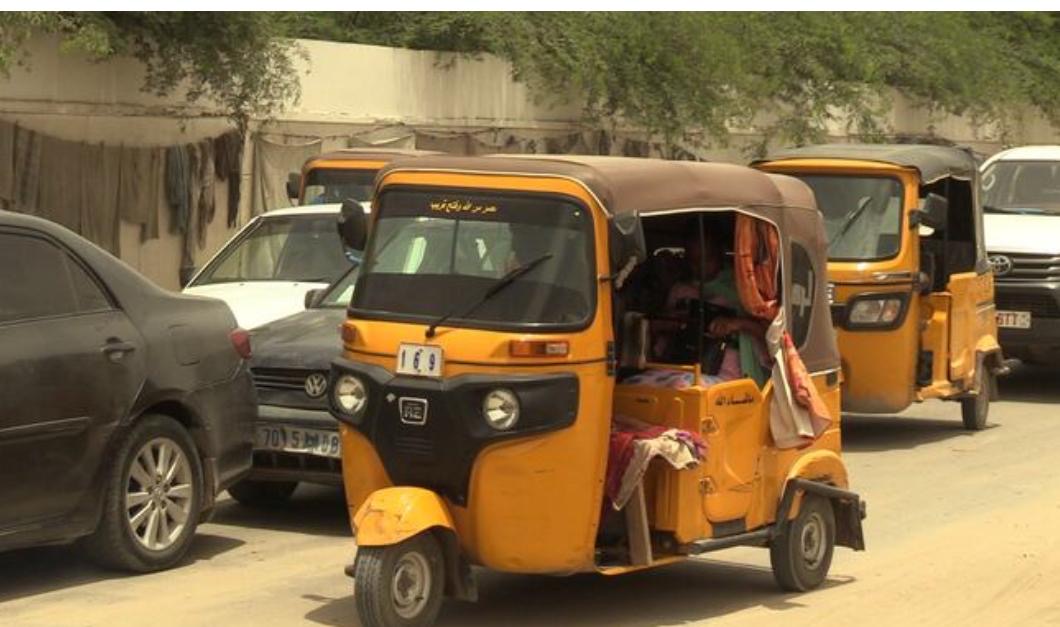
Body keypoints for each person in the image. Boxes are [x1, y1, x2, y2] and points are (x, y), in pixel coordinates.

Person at [633, 224, 768, 387]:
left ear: (721, 253)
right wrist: (670, 322)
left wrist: (735, 324)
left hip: (727, 371)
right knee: (634, 385)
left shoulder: (743, 288)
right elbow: (655, 329)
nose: (700, 266)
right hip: (680, 366)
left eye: (707, 258)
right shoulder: (680, 290)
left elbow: (765, 333)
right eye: (693, 260)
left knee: (681, 386)